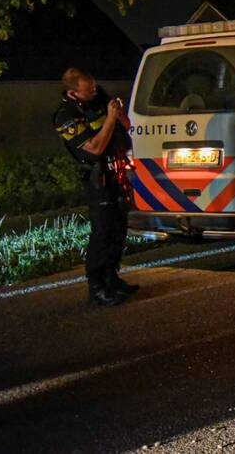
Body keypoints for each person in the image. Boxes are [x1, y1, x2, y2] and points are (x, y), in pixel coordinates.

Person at [53, 68, 138, 306]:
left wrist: (118, 114)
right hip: (98, 178)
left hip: (117, 172)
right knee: (102, 232)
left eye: (94, 86)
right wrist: (110, 118)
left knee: (118, 229)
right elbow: (94, 149)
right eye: (88, 89)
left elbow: (126, 124)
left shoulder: (98, 97)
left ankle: (112, 279)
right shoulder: (66, 116)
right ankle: (97, 287)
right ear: (73, 92)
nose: (94, 90)